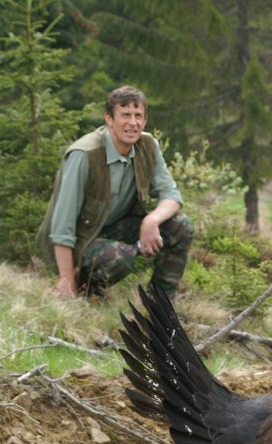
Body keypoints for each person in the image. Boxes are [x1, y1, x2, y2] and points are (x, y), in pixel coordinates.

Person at [36, 86, 193, 298]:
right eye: (125, 115)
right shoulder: (84, 155)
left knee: (181, 227)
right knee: (121, 257)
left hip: (113, 229)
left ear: (145, 121)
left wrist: (152, 221)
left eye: (138, 116)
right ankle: (83, 291)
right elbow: (62, 227)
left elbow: (172, 196)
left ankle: (161, 304)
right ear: (109, 119)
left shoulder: (148, 146)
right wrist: (66, 278)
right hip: (80, 240)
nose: (133, 123)